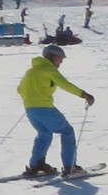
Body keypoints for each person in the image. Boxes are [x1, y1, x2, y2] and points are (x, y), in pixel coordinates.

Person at [18, 43, 94, 178]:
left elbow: (20, 89)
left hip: (30, 109)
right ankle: (70, 167)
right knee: (67, 131)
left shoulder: (31, 71)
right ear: (52, 57)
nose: (62, 61)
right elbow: (65, 85)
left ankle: (36, 165)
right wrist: (84, 94)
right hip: (45, 108)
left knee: (44, 133)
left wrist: (32, 99)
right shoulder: (49, 70)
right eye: (60, 58)